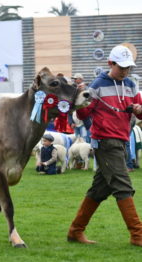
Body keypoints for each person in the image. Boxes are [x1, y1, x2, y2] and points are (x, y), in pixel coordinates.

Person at [67, 45, 142, 246]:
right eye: (122, 67)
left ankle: (75, 231)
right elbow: (83, 115)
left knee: (99, 190)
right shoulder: (96, 85)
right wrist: (80, 100)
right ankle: (138, 235)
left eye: (128, 67)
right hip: (106, 143)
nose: (126, 71)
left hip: (121, 142)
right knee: (123, 186)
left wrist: (138, 109)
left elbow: (140, 113)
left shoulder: (131, 85)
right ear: (110, 63)